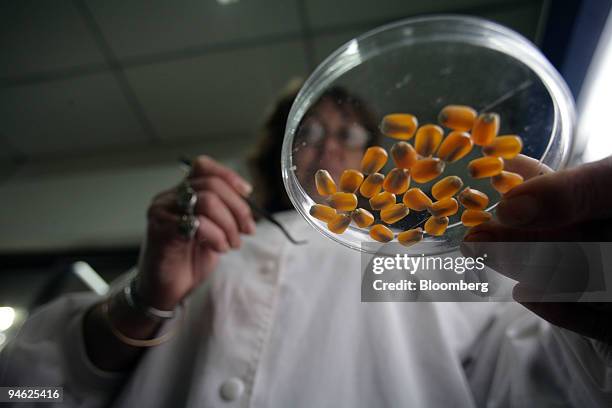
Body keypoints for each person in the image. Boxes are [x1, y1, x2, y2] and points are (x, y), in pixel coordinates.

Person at [1, 80, 611, 407]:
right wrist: (143, 303)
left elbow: (543, 389)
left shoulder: (419, 264)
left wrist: (595, 289)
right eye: (309, 131)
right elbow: (22, 390)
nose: (325, 146)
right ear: (281, 152)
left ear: (379, 154)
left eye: (346, 131)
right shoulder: (201, 250)